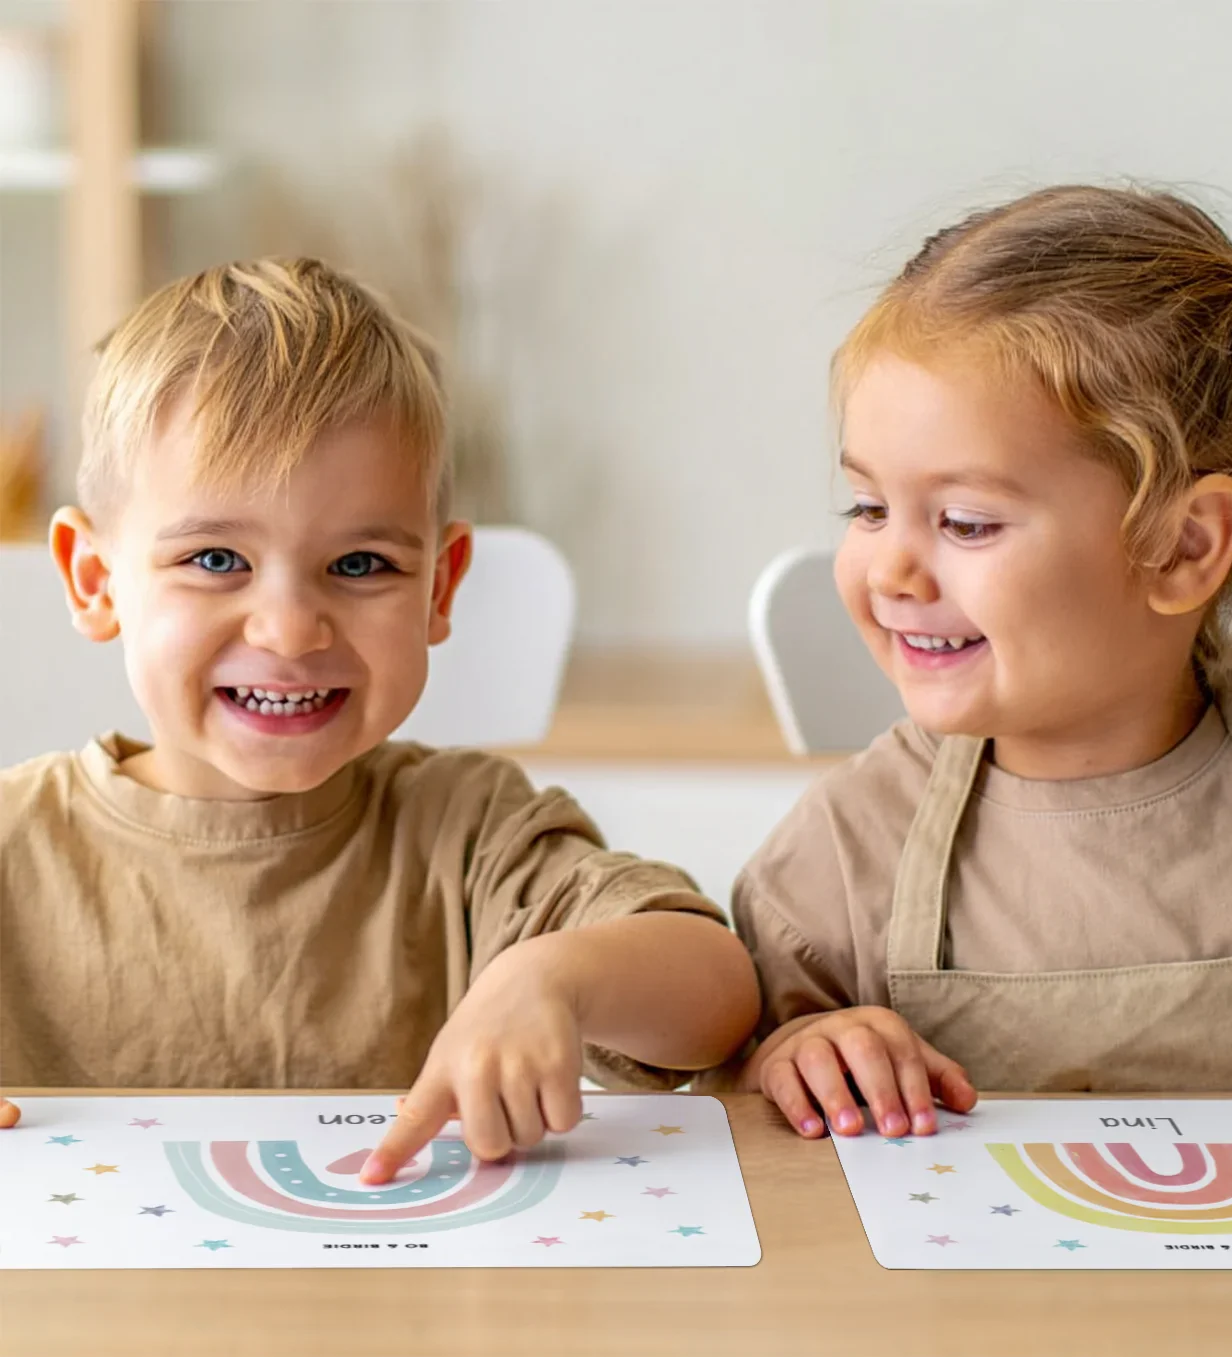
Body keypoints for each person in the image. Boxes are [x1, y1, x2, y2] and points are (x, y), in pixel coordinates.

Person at [0, 259, 759, 1182]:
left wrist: (550, 978)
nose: (288, 628)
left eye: (359, 565)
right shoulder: (16, 843)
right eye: (214, 558)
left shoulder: (469, 830)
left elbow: (718, 990)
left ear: (439, 586)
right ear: (92, 578)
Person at [734, 186, 1232, 1143]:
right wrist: (796, 1049)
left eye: (965, 522)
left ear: (1184, 545)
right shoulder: (846, 852)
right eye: (866, 509)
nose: (890, 568)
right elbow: (737, 1075)